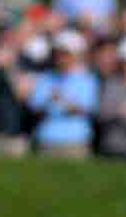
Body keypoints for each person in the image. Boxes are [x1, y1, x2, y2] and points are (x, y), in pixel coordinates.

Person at [25, 31, 99, 159]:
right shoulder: (45, 77)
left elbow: (87, 109)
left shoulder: (87, 79)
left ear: (77, 55)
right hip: (47, 139)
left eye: (66, 54)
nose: (61, 58)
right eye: (58, 53)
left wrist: (63, 100)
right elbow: (34, 107)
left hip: (76, 141)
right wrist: (49, 100)